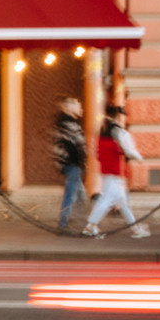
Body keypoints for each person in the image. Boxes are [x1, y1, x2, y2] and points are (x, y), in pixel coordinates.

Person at [85, 103, 151, 241]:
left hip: (106, 170)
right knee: (107, 200)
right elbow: (129, 149)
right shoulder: (119, 131)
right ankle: (90, 225)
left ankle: (135, 228)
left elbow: (94, 151)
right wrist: (139, 158)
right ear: (118, 116)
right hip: (116, 171)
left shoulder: (102, 130)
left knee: (122, 202)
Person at [53, 95, 89, 234]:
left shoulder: (63, 123)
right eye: (77, 104)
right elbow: (79, 145)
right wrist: (83, 161)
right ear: (69, 107)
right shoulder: (69, 124)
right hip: (72, 164)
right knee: (71, 194)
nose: (81, 107)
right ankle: (64, 223)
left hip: (70, 164)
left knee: (79, 194)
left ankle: (83, 221)